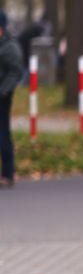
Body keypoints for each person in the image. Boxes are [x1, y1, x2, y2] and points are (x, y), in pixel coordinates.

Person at [0, 10, 25, 189]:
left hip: (2, 97)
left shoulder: (9, 47)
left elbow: (15, 72)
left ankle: (8, 173)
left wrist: (2, 91)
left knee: (3, 134)